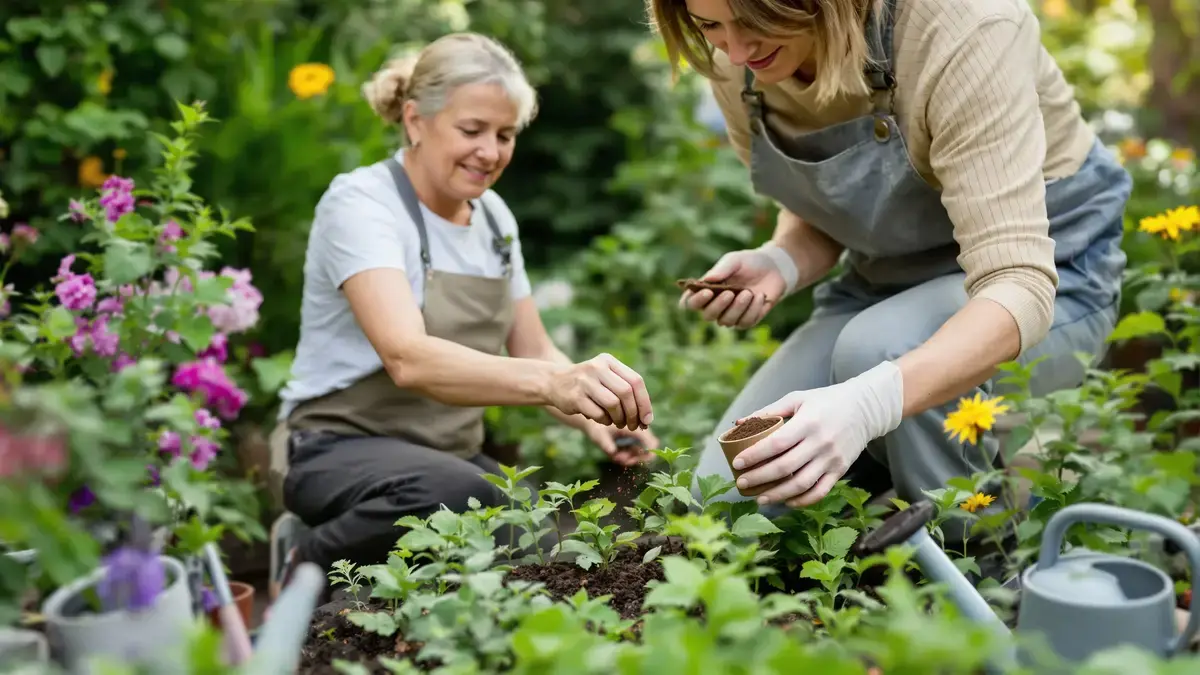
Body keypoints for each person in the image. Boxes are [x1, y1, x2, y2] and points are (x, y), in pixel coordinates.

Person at [651, 0, 1128, 539]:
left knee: (879, 349)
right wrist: (781, 260)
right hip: (887, 286)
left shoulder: (963, 28)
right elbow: (841, 203)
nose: (735, 51)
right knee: (725, 510)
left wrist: (870, 404)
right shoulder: (737, 63)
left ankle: (983, 571)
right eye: (710, 25)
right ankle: (882, 495)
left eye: (758, 24)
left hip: (1053, 282)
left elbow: (1018, 282)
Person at [267, 32, 658, 585]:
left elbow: (536, 349)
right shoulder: (362, 205)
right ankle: (305, 562)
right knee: (458, 495)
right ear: (414, 120)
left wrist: (601, 416)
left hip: (445, 455)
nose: (491, 152)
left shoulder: (494, 219)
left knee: (539, 534)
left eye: (505, 135)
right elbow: (408, 358)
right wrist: (553, 383)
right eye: (472, 130)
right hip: (330, 446)